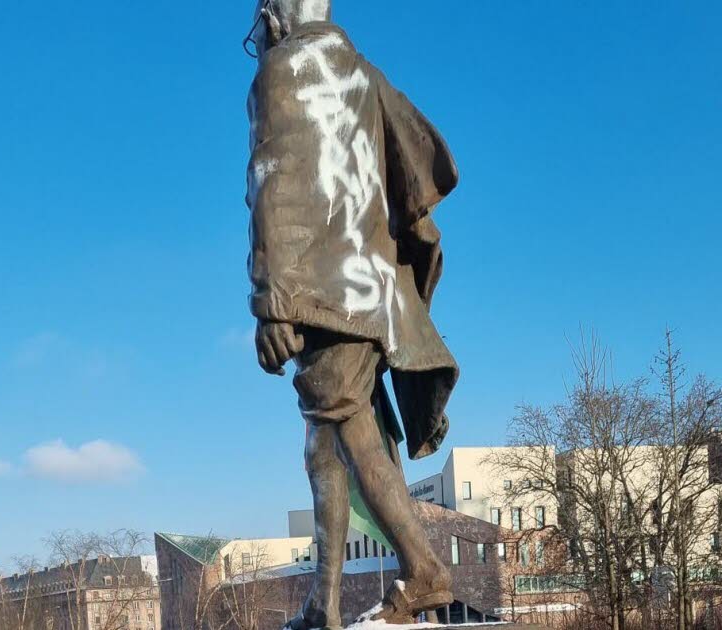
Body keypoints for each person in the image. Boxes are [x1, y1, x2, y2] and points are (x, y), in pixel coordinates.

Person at [244, 0, 461, 627]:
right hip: (368, 288)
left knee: (345, 420)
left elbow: (272, 181)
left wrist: (270, 303)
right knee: (322, 442)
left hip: (320, 290)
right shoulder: (365, 73)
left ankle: (423, 570)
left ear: (275, 14)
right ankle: (326, 601)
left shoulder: (281, 68)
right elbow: (423, 161)